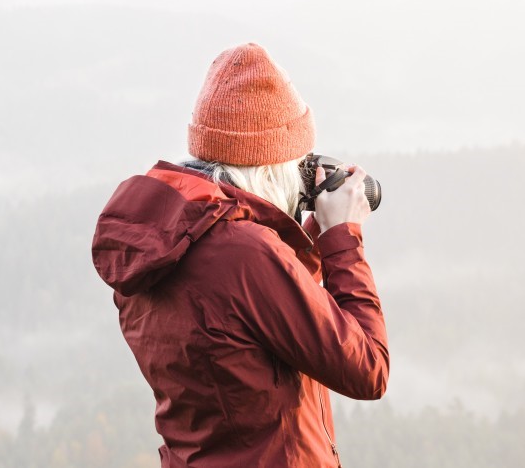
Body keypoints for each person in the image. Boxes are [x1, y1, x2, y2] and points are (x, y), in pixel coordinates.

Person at [91, 42, 389, 467]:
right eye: (296, 163)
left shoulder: (164, 241)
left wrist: (309, 239)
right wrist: (343, 239)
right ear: (269, 168)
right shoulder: (244, 254)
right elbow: (369, 369)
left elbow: (251, 325)